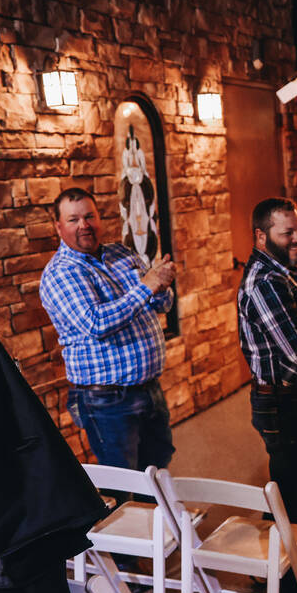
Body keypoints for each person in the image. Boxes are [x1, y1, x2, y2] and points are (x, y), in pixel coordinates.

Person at [39, 187, 177, 470]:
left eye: (90, 216)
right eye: (74, 219)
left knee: (158, 468)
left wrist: (161, 285)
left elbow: (160, 305)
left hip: (149, 387)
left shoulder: (120, 253)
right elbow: (96, 323)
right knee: (124, 478)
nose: (84, 225)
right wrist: (147, 286)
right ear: (58, 226)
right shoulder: (61, 272)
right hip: (106, 399)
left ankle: (157, 516)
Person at [237, 197, 297, 529]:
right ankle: (283, 577)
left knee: (294, 492)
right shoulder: (265, 281)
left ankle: (273, 571)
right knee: (292, 497)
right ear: (261, 236)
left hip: (294, 398)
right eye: (288, 232)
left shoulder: (282, 272)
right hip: (281, 402)